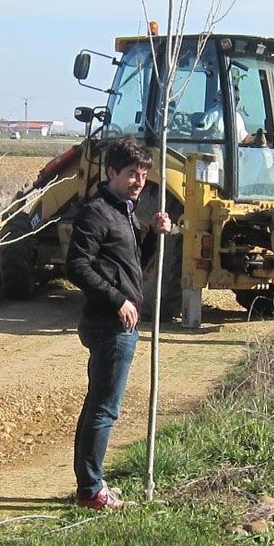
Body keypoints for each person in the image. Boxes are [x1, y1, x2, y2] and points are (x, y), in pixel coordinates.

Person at [65, 135, 173, 510]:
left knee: (97, 406)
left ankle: (89, 485)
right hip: (108, 324)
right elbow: (77, 266)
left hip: (119, 321)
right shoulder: (97, 212)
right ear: (111, 171)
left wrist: (155, 238)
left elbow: (132, 268)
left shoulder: (125, 211)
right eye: (131, 173)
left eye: (143, 173)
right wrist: (118, 300)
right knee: (104, 409)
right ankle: (92, 492)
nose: (139, 181)